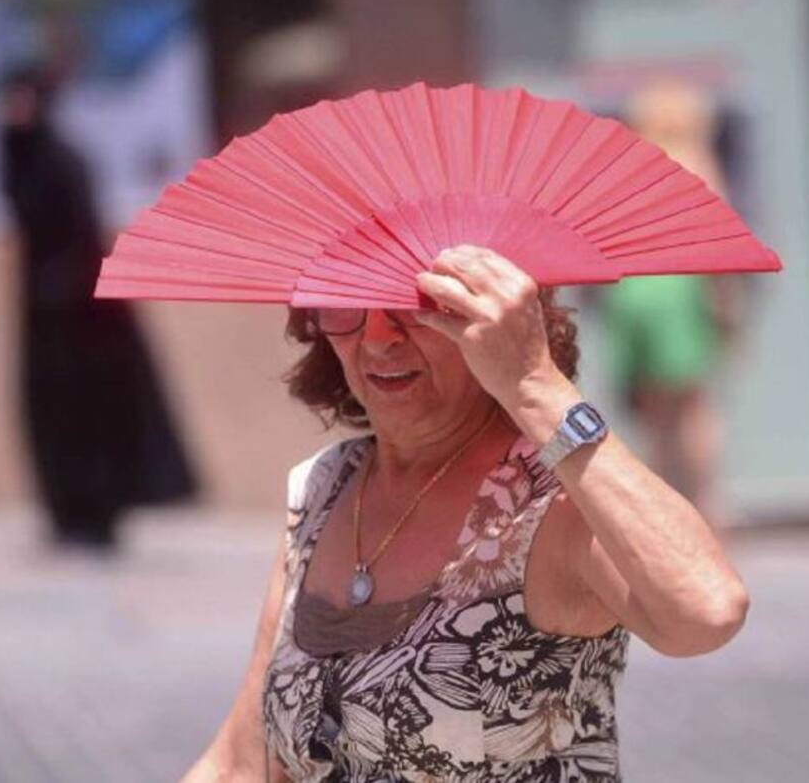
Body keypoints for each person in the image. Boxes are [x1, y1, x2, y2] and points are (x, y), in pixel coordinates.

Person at [181, 245, 749, 781]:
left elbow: (707, 611)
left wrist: (536, 385)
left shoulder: (549, 498)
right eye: (347, 298)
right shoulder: (322, 489)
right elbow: (241, 764)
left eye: (416, 302)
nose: (379, 338)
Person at [0, 66, 197, 552]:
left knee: (89, 415)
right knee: (50, 415)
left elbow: (80, 240)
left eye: (22, 99)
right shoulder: (20, 160)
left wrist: (66, 292)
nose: (13, 112)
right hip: (43, 319)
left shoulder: (65, 162)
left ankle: (97, 514)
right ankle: (66, 514)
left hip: (83, 321)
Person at [599, 81, 747, 526]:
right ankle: (706, 506)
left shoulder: (629, 169)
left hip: (630, 291)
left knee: (653, 414)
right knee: (695, 407)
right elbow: (722, 245)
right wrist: (727, 308)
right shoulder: (698, 164)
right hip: (682, 291)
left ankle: (660, 509)